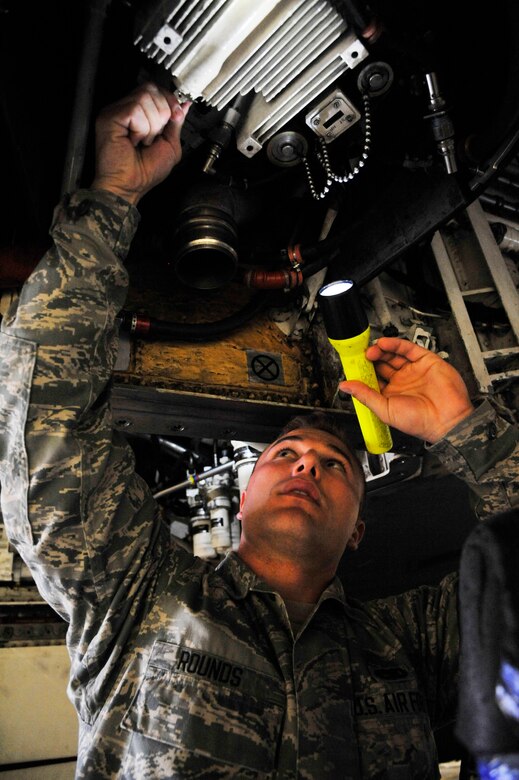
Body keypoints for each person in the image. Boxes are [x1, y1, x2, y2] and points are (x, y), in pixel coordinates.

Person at [0, 82, 517, 780]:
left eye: (335, 466)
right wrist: (111, 200)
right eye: (287, 453)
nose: (307, 465)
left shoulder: (411, 645)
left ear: (358, 529)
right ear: (239, 499)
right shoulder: (136, 597)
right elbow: (45, 438)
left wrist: (463, 429)